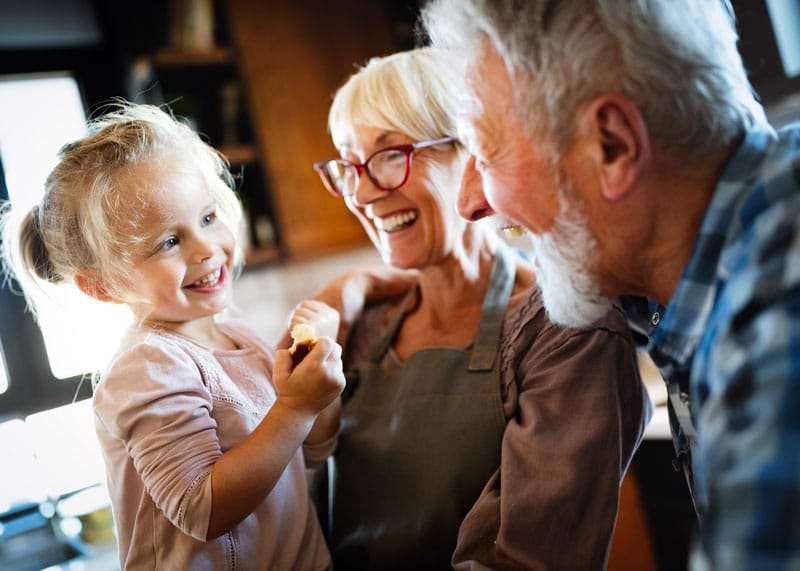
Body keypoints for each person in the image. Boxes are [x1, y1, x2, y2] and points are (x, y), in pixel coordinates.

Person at [422, 0, 800, 568]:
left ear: (613, 146)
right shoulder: (695, 288)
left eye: (484, 149)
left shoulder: (777, 327)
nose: (470, 202)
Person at [310, 47, 651, 570]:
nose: (361, 192)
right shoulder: (354, 330)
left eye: (388, 156)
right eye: (349, 164)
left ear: (472, 150)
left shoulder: (565, 330)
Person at [0, 102, 345, 570]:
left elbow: (313, 451)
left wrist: (320, 382)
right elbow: (201, 510)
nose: (206, 248)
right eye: (168, 241)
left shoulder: (241, 338)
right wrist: (295, 407)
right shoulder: (146, 367)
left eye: (206, 218)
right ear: (101, 286)